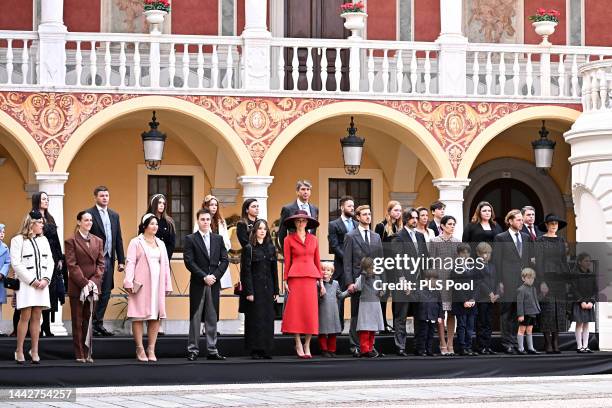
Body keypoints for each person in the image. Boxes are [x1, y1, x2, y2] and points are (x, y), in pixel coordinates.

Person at [124, 214, 172, 362]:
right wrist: (128, 281)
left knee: (155, 316)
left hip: (157, 284)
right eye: (152, 224)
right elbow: (130, 262)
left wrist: (167, 284)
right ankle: (139, 349)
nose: (155, 226)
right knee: (138, 316)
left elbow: (165, 265)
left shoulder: (160, 243)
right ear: (145, 226)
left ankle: (151, 348)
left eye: (156, 224)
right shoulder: (136, 242)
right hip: (141, 284)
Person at [184, 208, 229, 361]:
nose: (205, 222)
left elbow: (225, 260)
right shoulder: (190, 239)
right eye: (202, 219)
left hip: (214, 284)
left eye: (208, 219)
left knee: (212, 316)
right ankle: (193, 350)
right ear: (198, 221)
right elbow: (189, 261)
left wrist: (215, 277)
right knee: (195, 317)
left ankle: (212, 349)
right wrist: (204, 277)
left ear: (211, 221)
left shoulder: (218, 239)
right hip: (198, 283)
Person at [11, 211, 55, 363]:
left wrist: (45, 279)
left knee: (38, 316)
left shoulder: (44, 240)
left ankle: (34, 350)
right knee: (25, 316)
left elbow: (50, 262)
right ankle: (19, 350)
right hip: (26, 284)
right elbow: (16, 264)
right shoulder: (17, 240)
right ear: (31, 223)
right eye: (40, 222)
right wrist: (32, 280)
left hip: (42, 284)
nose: (43, 225)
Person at [281, 209, 324, 359]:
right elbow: (287, 261)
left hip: (311, 277)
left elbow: (317, 261)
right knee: (296, 312)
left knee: (309, 312)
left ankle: (307, 344)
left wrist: (321, 282)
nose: (301, 222)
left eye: (303, 220)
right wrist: (285, 280)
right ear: (294, 222)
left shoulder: (314, 239)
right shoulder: (288, 240)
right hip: (295, 278)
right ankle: (298, 342)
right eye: (298, 220)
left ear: (307, 223)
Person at [64, 211, 105, 363]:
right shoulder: (71, 241)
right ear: (79, 222)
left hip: (93, 287)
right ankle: (79, 353)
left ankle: (88, 353)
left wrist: (94, 281)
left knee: (88, 321)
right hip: (77, 287)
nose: (89, 222)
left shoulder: (98, 241)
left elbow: (101, 264)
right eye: (86, 220)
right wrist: (84, 283)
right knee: (77, 320)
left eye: (90, 220)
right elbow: (72, 265)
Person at [343, 205, 384, 357]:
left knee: (371, 316)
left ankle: (370, 347)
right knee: (356, 315)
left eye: (369, 214)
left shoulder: (376, 237)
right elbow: (347, 262)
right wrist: (349, 283)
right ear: (358, 217)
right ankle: (355, 346)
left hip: (373, 283)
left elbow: (380, 262)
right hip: (357, 281)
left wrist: (382, 284)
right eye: (364, 214)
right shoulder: (350, 236)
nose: (368, 217)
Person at [86, 186, 125, 337]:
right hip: (94, 260)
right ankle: (89, 323)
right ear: (95, 197)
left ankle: (98, 323)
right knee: (94, 290)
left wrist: (121, 260)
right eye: (102, 196)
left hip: (109, 258)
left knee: (106, 292)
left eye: (107, 195)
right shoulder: (89, 214)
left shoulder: (114, 215)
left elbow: (118, 239)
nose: (105, 198)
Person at [493, 209, 533, 355]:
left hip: (523, 282)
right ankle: (507, 343)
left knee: (519, 312)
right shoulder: (500, 238)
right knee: (507, 312)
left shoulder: (526, 237)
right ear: (509, 221)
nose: (521, 222)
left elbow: (528, 260)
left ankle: (517, 343)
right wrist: (499, 282)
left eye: (522, 220)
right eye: (518, 220)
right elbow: (496, 262)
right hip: (507, 281)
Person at [239, 219, 279, 359]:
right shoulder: (249, 248)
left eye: (264, 229)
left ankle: (266, 349)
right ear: (255, 231)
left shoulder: (271, 248)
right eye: (260, 228)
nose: (262, 231)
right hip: (255, 289)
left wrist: (276, 290)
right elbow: (245, 272)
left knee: (268, 318)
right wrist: (249, 292)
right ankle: (255, 350)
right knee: (255, 319)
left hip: (268, 288)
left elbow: (274, 270)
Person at [391, 208, 428, 356]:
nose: (415, 220)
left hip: (420, 283)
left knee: (420, 316)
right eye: (412, 218)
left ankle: (419, 347)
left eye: (416, 217)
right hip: (404, 282)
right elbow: (397, 261)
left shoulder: (420, 236)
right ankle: (400, 347)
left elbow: (426, 260)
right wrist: (402, 281)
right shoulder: (398, 237)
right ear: (406, 219)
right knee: (401, 316)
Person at [535, 213, 571, 354]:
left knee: (559, 311)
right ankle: (548, 343)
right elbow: (538, 262)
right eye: (551, 223)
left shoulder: (561, 240)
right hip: (546, 277)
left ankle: (556, 342)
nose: (554, 226)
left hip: (559, 279)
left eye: (555, 224)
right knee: (547, 310)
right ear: (546, 225)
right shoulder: (540, 240)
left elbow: (563, 260)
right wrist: (542, 282)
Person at [31, 191, 65, 337]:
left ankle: (46, 326)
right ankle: (34, 328)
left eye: (47, 199)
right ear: (37, 200)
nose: (46, 201)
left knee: (50, 294)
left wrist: (60, 258)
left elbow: (56, 239)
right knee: (38, 293)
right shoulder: (32, 216)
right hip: (38, 258)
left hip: (52, 258)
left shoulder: (50, 217)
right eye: (44, 199)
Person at [428, 215, 460, 356]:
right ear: (442, 226)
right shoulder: (434, 241)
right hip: (439, 280)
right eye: (450, 224)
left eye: (454, 224)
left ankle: (450, 343)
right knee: (441, 313)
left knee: (452, 313)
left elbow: (460, 263)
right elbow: (431, 262)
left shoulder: (457, 241)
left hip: (453, 281)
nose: (452, 226)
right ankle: (442, 343)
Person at [327, 195, 357, 329]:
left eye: (353, 206)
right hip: (340, 268)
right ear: (342, 207)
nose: (352, 208)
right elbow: (334, 245)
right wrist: (347, 258)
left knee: (356, 299)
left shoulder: (357, 224)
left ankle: (355, 329)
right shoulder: (333, 225)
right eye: (349, 206)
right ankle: (338, 328)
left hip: (356, 268)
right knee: (339, 299)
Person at [374, 200, 403, 333]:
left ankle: (395, 324)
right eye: (396, 210)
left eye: (400, 210)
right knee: (384, 295)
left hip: (397, 266)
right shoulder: (381, 226)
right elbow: (376, 248)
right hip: (385, 265)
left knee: (396, 296)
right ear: (389, 211)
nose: (398, 213)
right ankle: (382, 323)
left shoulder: (401, 227)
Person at [350, 257, 384, 358]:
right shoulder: (362, 277)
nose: (370, 270)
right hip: (365, 306)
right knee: (365, 328)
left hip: (375, 305)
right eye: (368, 268)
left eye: (371, 267)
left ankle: (370, 349)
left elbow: (381, 288)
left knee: (372, 328)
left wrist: (382, 292)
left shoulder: (377, 277)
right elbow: (357, 287)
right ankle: (364, 349)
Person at [200, 195, 232, 291]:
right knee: (206, 286)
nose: (214, 207)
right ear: (206, 206)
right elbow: (198, 240)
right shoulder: (201, 221)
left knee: (217, 287)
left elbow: (226, 240)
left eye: (216, 205)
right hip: (207, 257)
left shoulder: (221, 221)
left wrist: (222, 250)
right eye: (211, 205)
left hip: (219, 257)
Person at [451, 243, 478, 356]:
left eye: (467, 252)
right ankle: (462, 347)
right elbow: (455, 286)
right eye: (463, 253)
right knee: (462, 325)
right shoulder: (455, 268)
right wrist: (464, 301)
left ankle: (469, 346)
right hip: (460, 302)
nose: (465, 255)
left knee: (470, 326)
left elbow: (477, 284)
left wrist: (473, 299)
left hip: (472, 302)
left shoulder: (473, 267)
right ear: (458, 254)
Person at [277, 180, 319, 251]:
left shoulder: (314, 209)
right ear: (297, 192)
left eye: (308, 189)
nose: (306, 192)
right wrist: (286, 252)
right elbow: (282, 233)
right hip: (294, 250)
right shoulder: (287, 209)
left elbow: (313, 231)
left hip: (310, 250)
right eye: (303, 189)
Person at [474, 242, 498, 355]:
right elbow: (480, 281)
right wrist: (489, 293)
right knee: (481, 323)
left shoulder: (493, 265)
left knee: (489, 323)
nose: (487, 255)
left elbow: (496, 280)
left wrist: (496, 293)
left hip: (491, 299)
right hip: (482, 298)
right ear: (478, 254)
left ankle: (487, 346)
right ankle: (481, 346)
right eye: (484, 253)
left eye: (489, 253)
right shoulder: (476, 265)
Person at [570, 253, 597, 353]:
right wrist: (581, 301)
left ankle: (585, 346)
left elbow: (596, 290)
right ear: (579, 262)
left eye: (589, 261)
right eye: (586, 261)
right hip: (579, 302)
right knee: (579, 324)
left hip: (589, 303)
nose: (588, 263)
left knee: (586, 324)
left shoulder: (592, 274)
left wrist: (591, 301)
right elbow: (573, 289)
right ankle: (579, 346)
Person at [413, 270, 444, 356]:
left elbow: (440, 305)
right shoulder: (420, 290)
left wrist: (440, 316)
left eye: (436, 279)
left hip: (433, 317)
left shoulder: (437, 292)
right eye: (433, 279)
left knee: (431, 335)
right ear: (427, 280)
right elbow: (415, 302)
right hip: (423, 317)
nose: (435, 281)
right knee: (423, 334)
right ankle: (421, 350)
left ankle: (429, 350)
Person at [318, 262, 345, 358]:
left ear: (332, 273)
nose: (325, 272)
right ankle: (324, 350)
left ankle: (332, 350)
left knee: (333, 332)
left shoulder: (335, 283)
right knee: (322, 331)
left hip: (333, 311)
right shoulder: (318, 284)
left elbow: (340, 295)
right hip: (322, 310)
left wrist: (349, 291)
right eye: (323, 269)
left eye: (328, 270)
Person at [516, 268, 541, 355]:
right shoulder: (521, 289)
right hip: (525, 313)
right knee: (522, 329)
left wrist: (537, 310)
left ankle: (530, 348)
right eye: (528, 278)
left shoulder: (533, 288)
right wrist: (520, 314)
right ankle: (521, 348)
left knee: (530, 330)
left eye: (532, 278)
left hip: (532, 313)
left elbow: (535, 300)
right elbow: (519, 303)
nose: (531, 280)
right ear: (523, 278)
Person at [148, 194, 176, 260]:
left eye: (164, 203)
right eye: (159, 203)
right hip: (149, 258)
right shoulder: (147, 219)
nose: (162, 205)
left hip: (165, 258)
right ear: (154, 204)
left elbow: (171, 244)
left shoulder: (169, 222)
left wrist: (165, 259)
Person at [0, 223, 9, 337]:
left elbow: (7, 262)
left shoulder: (5, 247)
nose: (2, 234)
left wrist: (2, 273)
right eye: (0, 232)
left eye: (3, 232)